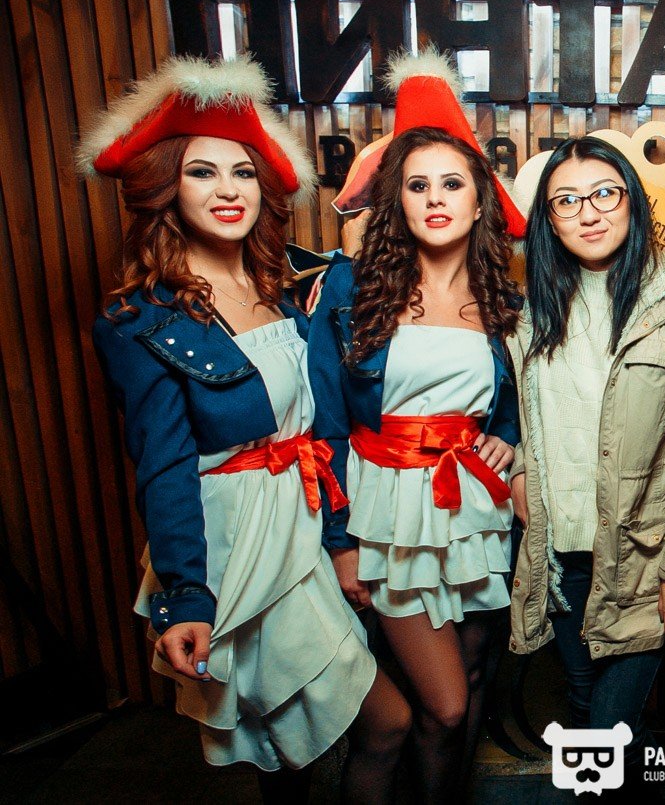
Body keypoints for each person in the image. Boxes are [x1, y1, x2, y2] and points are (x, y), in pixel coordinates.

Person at [84, 56, 409, 802]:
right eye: (202, 172)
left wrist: (339, 538)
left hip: (300, 527)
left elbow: (320, 428)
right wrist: (186, 596)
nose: (228, 189)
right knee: (370, 725)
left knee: (296, 750)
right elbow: (164, 468)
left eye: (243, 172)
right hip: (239, 547)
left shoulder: (279, 286)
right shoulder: (140, 319)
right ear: (168, 187)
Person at [308, 51, 524, 803]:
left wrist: (510, 439)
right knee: (445, 700)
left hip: (474, 512)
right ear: (395, 200)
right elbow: (325, 425)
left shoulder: (503, 300)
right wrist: (341, 542)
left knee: (468, 684)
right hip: (388, 519)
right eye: (417, 184)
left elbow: (513, 405)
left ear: (480, 200)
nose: (435, 199)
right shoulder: (349, 287)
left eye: (452, 183)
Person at [506, 136, 665, 794]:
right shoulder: (533, 310)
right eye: (567, 200)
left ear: (632, 200)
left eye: (606, 193)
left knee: (608, 726)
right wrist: (518, 470)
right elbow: (528, 418)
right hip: (561, 554)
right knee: (584, 709)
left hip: (644, 557)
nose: (589, 212)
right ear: (548, 220)